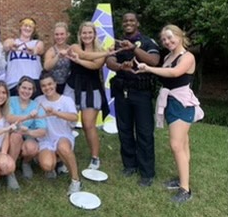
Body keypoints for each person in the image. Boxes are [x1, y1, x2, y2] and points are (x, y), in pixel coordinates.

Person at [136, 24, 203, 203]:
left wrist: (149, 69)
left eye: (170, 37)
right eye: (164, 39)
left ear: (180, 36)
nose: (167, 41)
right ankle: (182, 179)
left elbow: (174, 73)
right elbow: (165, 73)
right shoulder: (167, 56)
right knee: (183, 144)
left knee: (176, 145)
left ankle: (185, 190)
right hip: (170, 103)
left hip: (182, 104)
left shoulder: (187, 57)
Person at [106, 12, 160, 187]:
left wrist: (134, 49)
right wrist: (121, 66)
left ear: (137, 23)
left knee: (144, 132)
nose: (128, 23)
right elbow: (109, 61)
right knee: (124, 129)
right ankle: (129, 165)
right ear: (122, 24)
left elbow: (154, 60)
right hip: (122, 92)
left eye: (132, 20)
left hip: (142, 93)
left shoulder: (147, 42)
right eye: (125, 21)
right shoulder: (117, 43)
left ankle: (147, 173)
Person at [64, 22, 110, 170]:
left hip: (92, 88)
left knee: (88, 125)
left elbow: (95, 65)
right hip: (72, 87)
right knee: (66, 122)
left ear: (94, 34)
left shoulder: (100, 50)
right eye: (84, 33)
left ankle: (95, 158)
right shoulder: (74, 47)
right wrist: (106, 53)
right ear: (80, 34)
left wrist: (78, 61)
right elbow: (85, 55)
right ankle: (62, 154)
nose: (87, 35)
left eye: (90, 33)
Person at [35, 71, 82, 196]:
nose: (47, 88)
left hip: (63, 137)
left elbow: (74, 118)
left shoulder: (66, 100)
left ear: (55, 84)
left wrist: (56, 113)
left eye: (50, 84)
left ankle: (75, 180)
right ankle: (57, 163)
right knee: (47, 165)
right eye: (44, 86)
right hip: (46, 140)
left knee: (62, 146)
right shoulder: (38, 101)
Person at [6, 76, 47, 190]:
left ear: (33, 91)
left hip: (27, 134)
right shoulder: (10, 100)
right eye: (24, 87)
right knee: (15, 136)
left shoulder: (36, 105)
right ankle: (10, 171)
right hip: (10, 134)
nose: (26, 91)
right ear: (18, 88)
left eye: (29, 89)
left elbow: (42, 130)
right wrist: (28, 117)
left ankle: (26, 162)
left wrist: (27, 131)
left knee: (32, 147)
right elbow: (10, 117)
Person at [3, 17, 44, 97]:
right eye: (25, 25)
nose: (27, 28)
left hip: (33, 84)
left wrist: (34, 51)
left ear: (34, 30)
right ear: (20, 27)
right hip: (14, 83)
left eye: (30, 26)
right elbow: (5, 46)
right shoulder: (12, 41)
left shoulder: (36, 43)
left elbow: (40, 49)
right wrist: (11, 46)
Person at [43, 22, 71, 94]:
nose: (59, 37)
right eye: (57, 34)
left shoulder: (71, 49)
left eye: (62, 34)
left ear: (67, 35)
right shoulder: (51, 51)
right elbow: (46, 67)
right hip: (54, 87)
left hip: (68, 86)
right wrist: (58, 56)